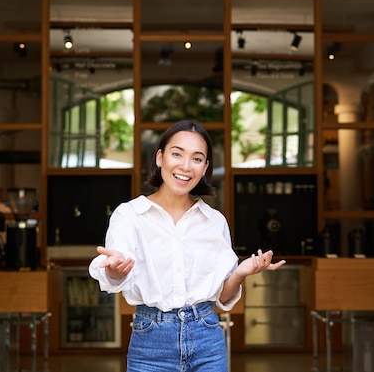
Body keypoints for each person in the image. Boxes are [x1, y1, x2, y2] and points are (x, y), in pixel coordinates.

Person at [88, 120, 285, 372]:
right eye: (177, 154)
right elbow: (115, 272)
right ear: (160, 158)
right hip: (151, 341)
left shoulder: (214, 221)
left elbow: (222, 297)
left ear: (205, 167)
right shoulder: (129, 215)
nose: (185, 166)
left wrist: (240, 272)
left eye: (196, 158)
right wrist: (115, 271)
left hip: (208, 338)